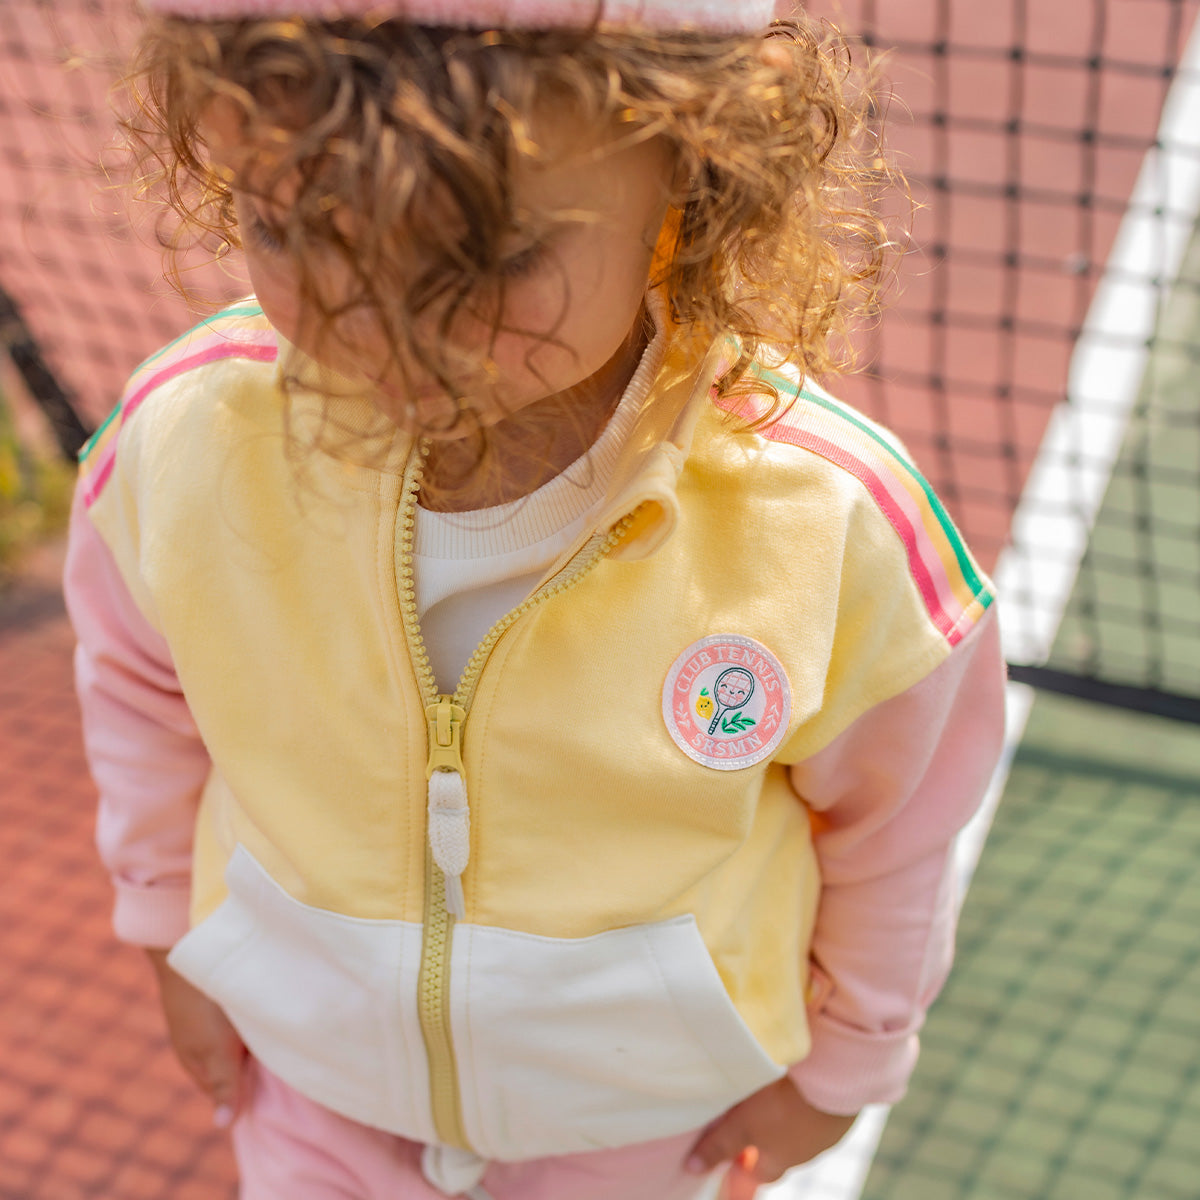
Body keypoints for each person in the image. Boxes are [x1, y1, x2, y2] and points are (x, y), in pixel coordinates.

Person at [63, 2, 1008, 1198]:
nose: (383, 328)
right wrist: (169, 934)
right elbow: (141, 691)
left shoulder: (827, 528)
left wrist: (846, 1067)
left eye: (491, 253)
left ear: (692, 172)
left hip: (640, 1127)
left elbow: (900, 824)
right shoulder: (182, 446)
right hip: (315, 1093)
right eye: (290, 224)